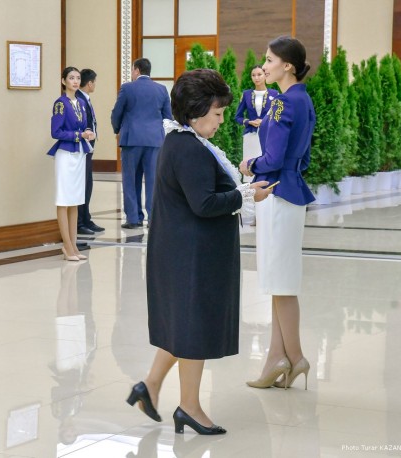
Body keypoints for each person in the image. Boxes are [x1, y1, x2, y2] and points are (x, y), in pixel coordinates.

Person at [126, 69, 271, 434]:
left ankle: (150, 386)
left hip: (185, 251)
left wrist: (244, 193)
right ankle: (189, 407)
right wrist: (246, 194)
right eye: (217, 113)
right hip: (191, 256)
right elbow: (204, 203)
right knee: (192, 330)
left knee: (183, 326)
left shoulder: (184, 141)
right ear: (197, 110)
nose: (221, 120)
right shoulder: (188, 148)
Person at [239, 36, 316, 390]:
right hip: (289, 189)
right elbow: (303, 156)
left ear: (288, 66)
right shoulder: (302, 99)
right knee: (278, 281)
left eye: (270, 60)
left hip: (276, 193)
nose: (264, 66)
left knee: (281, 282)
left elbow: (273, 157)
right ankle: (276, 357)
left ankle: (295, 357)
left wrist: (250, 164)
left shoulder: (283, 102)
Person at [111, 58, 172, 229]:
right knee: (153, 180)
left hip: (131, 139)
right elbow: (168, 117)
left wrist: (117, 129)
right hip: (154, 141)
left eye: (132, 70)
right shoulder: (161, 89)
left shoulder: (127, 88)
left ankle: (133, 218)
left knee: (130, 179)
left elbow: (117, 113)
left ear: (137, 70)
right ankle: (153, 218)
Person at [47, 67, 96, 261]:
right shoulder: (61, 104)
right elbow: (56, 132)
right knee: (63, 200)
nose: (75, 81)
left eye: (77, 78)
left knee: (75, 200)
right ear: (63, 81)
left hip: (79, 155)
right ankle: (66, 246)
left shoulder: (81, 103)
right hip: (65, 155)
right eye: (71, 78)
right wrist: (79, 135)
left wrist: (88, 132)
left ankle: (74, 246)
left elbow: (83, 126)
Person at [235, 65, 279, 183]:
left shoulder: (275, 94)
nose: (256, 78)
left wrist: (265, 121)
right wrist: (249, 122)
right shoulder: (246, 94)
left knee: (266, 162)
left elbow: (278, 116)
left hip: (268, 135)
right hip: (251, 135)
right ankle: (250, 190)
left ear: (265, 75)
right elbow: (238, 117)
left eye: (259, 74)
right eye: (253, 75)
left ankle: (267, 188)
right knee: (249, 165)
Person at [75, 69, 105, 236]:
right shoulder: (79, 99)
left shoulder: (84, 98)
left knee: (88, 183)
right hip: (83, 146)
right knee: (83, 184)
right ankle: (79, 222)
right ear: (90, 83)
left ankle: (86, 218)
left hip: (88, 147)